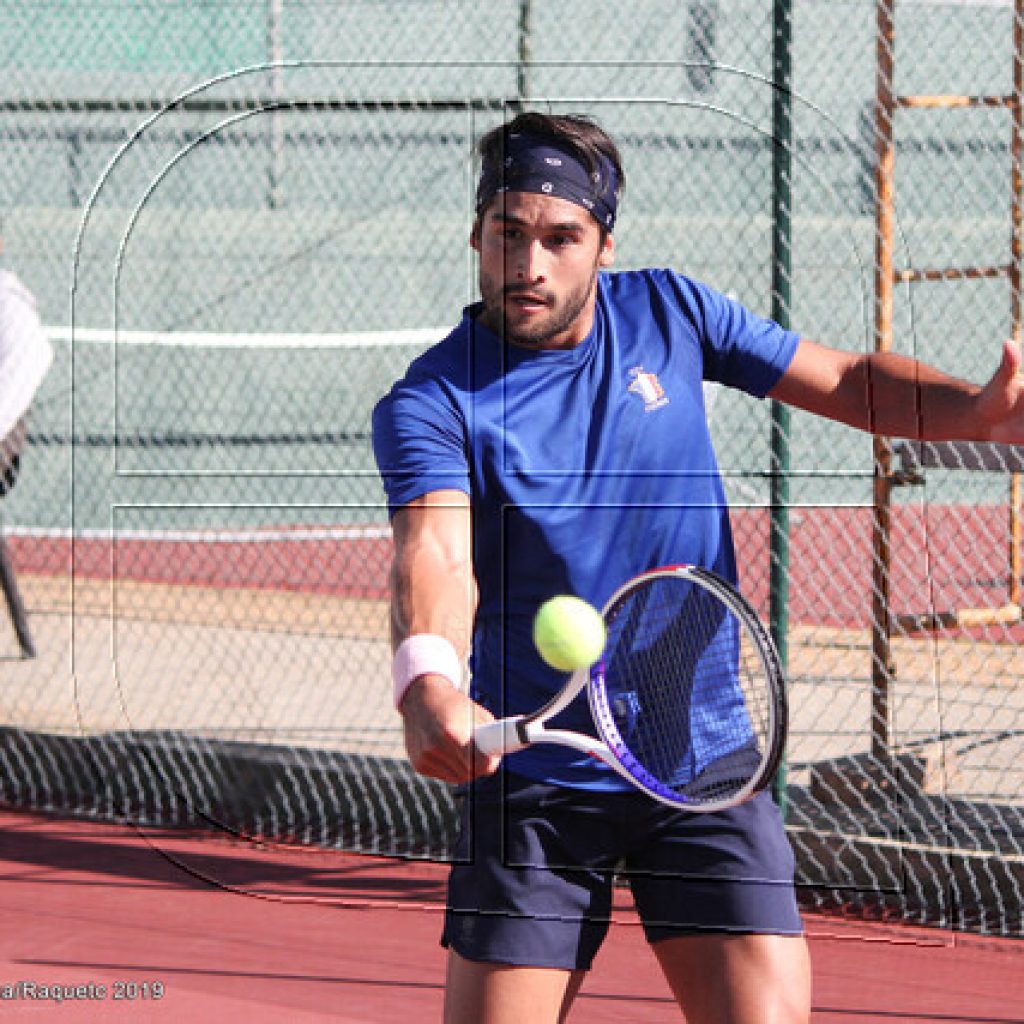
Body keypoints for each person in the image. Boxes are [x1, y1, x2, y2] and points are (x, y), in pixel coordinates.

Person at [371, 112, 1024, 1024]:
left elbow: (840, 380)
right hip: (537, 775)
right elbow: (435, 554)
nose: (529, 265)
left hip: (700, 759)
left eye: (561, 238)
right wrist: (427, 681)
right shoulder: (432, 401)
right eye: (507, 234)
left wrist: (971, 413)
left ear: (602, 244)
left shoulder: (670, 311)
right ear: (477, 233)